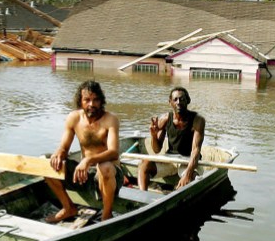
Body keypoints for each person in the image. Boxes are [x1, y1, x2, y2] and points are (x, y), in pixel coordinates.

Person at [45, 80, 123, 222]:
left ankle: (107, 215)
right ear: (80, 101)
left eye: (95, 100)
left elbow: (114, 152)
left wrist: (88, 160)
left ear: (101, 101)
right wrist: (58, 153)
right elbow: (64, 147)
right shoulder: (74, 118)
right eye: (87, 100)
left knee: (104, 166)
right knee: (46, 162)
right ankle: (68, 207)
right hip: (84, 174)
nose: (91, 105)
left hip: (109, 175)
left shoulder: (110, 120)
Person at [138, 86, 205, 190]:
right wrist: (154, 135)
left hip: (189, 160)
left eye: (182, 99)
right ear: (170, 102)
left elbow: (196, 150)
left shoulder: (198, 120)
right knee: (144, 164)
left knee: (190, 179)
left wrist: (187, 174)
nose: (178, 102)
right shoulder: (165, 119)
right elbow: (156, 150)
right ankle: (142, 196)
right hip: (170, 159)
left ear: (188, 101)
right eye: (175, 99)